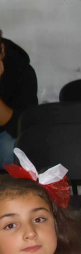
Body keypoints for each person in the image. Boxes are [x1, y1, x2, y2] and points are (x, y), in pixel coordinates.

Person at [0, 30, 38, 165]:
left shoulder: (21, 71)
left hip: (6, 135)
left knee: (13, 150)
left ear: (2, 49)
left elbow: (21, 128)